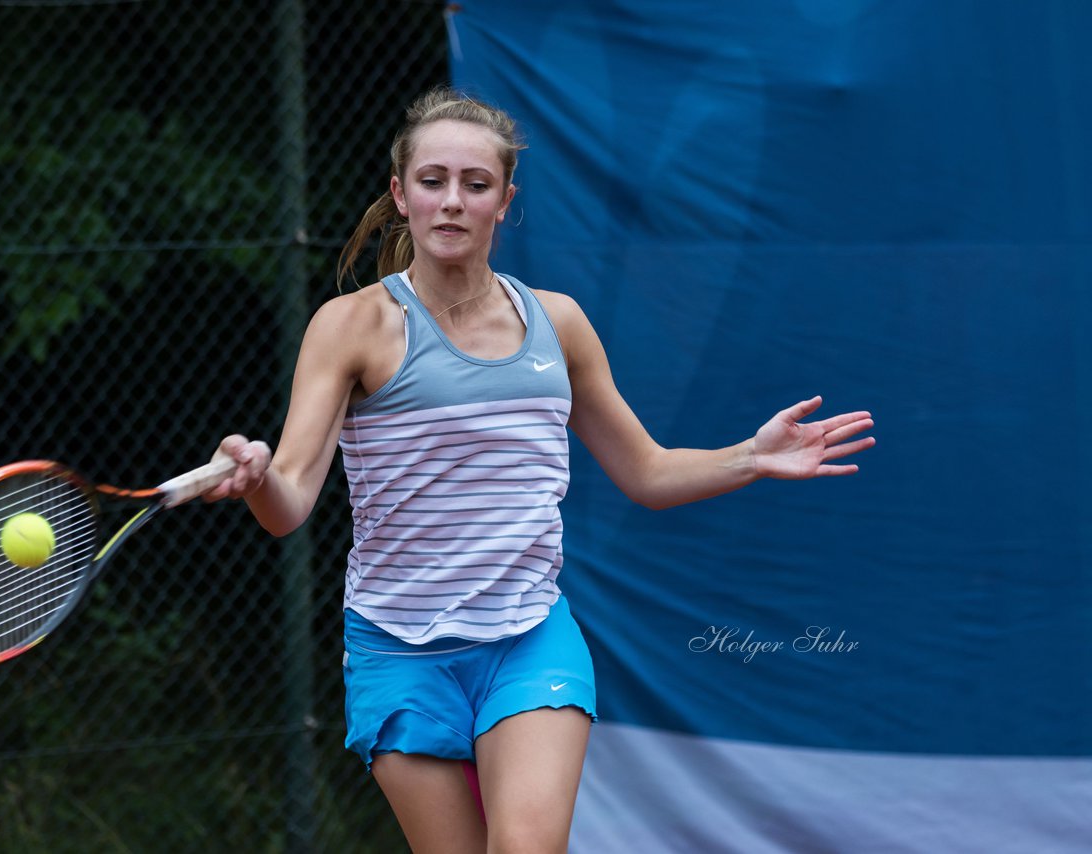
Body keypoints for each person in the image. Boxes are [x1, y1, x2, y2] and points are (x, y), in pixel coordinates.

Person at [204, 86, 875, 853]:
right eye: (432, 181)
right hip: (396, 650)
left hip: (528, 638)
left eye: (475, 184)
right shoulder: (351, 326)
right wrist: (257, 478)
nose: (452, 201)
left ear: (504, 201)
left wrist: (751, 457)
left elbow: (647, 472)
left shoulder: (557, 325)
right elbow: (289, 503)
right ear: (400, 195)